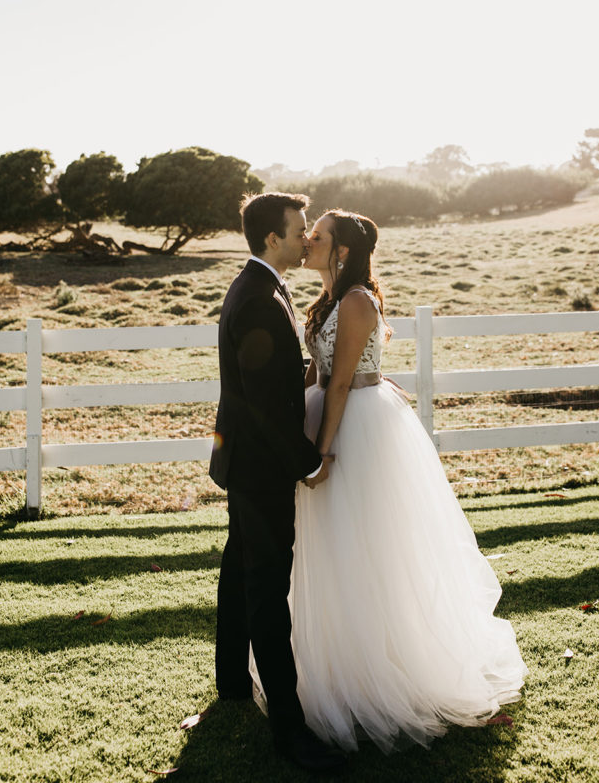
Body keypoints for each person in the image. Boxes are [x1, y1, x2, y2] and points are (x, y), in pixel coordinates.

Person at [252, 207, 527, 753]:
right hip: (328, 417)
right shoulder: (325, 300)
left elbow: (341, 386)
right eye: (308, 232)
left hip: (357, 431)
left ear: (343, 251)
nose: (308, 239)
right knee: (329, 554)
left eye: (319, 235)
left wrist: (320, 454)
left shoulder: (356, 301)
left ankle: (387, 671)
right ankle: (339, 666)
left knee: (369, 550)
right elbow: (317, 373)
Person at [209, 192, 346, 773]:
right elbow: (267, 405)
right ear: (272, 239)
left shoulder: (258, 286)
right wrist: (308, 461)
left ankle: (233, 680)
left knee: (240, 564)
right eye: (297, 231)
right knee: (267, 592)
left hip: (243, 460)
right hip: (263, 467)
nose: (304, 239)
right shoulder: (261, 299)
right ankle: (291, 733)